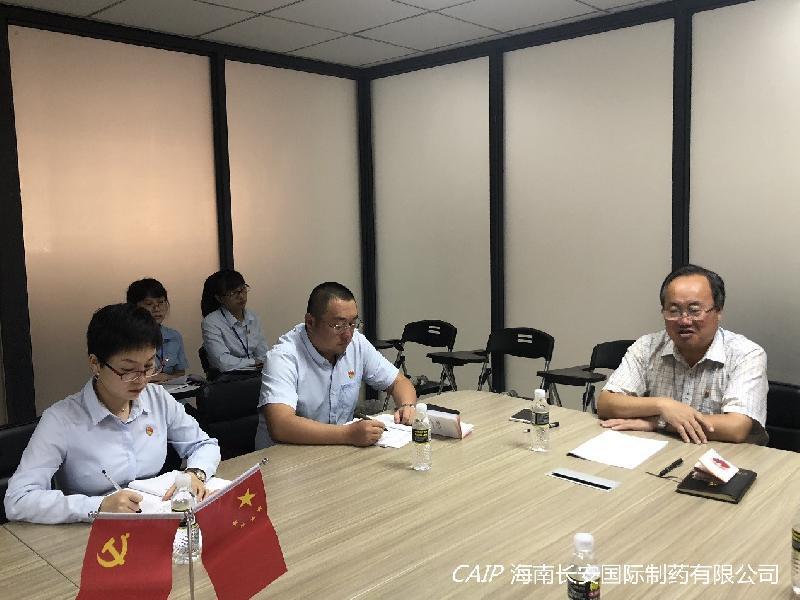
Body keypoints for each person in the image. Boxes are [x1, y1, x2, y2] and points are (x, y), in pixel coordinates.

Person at [4, 303, 221, 524]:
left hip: (158, 519)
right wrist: (98, 506)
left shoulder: (157, 398)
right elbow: (18, 499)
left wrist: (195, 473)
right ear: (95, 364)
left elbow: (203, 444)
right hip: (91, 532)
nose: (141, 379)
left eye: (148, 367)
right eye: (127, 370)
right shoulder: (61, 419)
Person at [597, 264, 768, 445]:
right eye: (674, 311)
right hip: (666, 449)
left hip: (728, 456)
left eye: (694, 310)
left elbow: (736, 427)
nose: (684, 320)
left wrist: (658, 422)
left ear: (718, 311)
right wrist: (663, 405)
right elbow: (606, 404)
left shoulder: (747, 354)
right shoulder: (647, 346)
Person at [256, 282, 417, 449]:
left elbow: (398, 382)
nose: (347, 334)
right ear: (310, 322)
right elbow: (281, 425)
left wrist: (407, 406)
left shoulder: (356, 343)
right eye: (338, 326)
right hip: (285, 457)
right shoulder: (283, 357)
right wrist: (347, 434)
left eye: (353, 323)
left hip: (337, 450)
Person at [200, 270, 268, 374]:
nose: (241, 296)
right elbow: (222, 362)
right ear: (219, 298)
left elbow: (263, 354)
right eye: (233, 293)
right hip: (229, 378)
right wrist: (254, 362)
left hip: (256, 374)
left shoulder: (253, 317)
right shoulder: (211, 322)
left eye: (242, 289)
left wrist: (260, 363)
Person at [126, 277, 188, 381]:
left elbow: (180, 373)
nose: (157, 309)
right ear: (133, 307)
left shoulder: (174, 336)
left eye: (161, 302)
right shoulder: (125, 338)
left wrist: (165, 377)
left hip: (170, 390)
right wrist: (153, 378)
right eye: (149, 304)